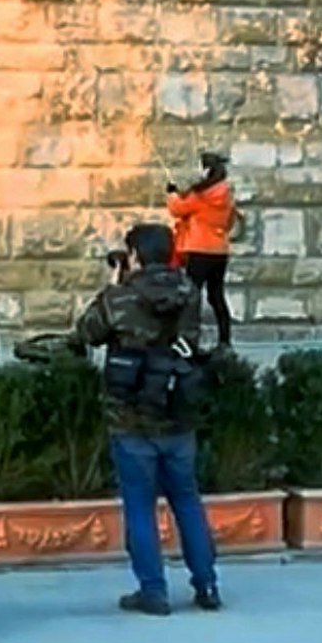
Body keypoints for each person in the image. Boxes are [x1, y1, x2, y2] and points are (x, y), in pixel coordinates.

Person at [69, 223, 222, 617]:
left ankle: (153, 590)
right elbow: (198, 341)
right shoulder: (190, 292)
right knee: (187, 500)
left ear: (134, 254)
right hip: (177, 413)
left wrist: (112, 284)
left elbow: (86, 333)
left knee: (139, 506)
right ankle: (206, 584)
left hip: (130, 417)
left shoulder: (120, 297)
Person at [168, 151, 239, 347]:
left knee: (192, 295)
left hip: (199, 249)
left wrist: (172, 193)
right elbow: (230, 221)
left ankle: (189, 340)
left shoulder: (201, 195)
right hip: (220, 251)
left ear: (206, 170)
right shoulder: (226, 194)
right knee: (216, 295)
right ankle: (225, 339)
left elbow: (177, 209)